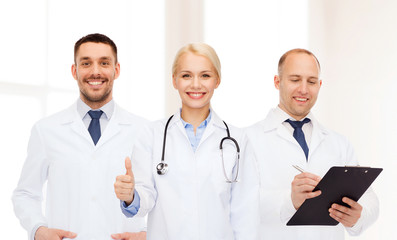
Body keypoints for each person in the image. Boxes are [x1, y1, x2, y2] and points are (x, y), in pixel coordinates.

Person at [114, 43, 260, 239]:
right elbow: (145, 198)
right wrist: (131, 196)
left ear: (217, 80)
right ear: (174, 80)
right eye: (186, 75)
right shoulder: (151, 135)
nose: (196, 84)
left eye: (205, 75)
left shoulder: (237, 140)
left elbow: (245, 215)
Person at [12, 33, 147, 240]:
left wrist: (148, 234)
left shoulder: (143, 131)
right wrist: (38, 230)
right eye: (86, 63)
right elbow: (25, 194)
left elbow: (160, 199)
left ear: (116, 70)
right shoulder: (46, 130)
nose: (95, 71)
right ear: (75, 71)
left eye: (104, 63)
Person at [245, 48, 379, 239]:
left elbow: (370, 200)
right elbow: (239, 204)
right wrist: (289, 200)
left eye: (312, 81)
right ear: (277, 81)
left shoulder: (339, 143)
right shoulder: (247, 139)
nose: (303, 89)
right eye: (295, 79)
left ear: (320, 84)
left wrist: (358, 216)